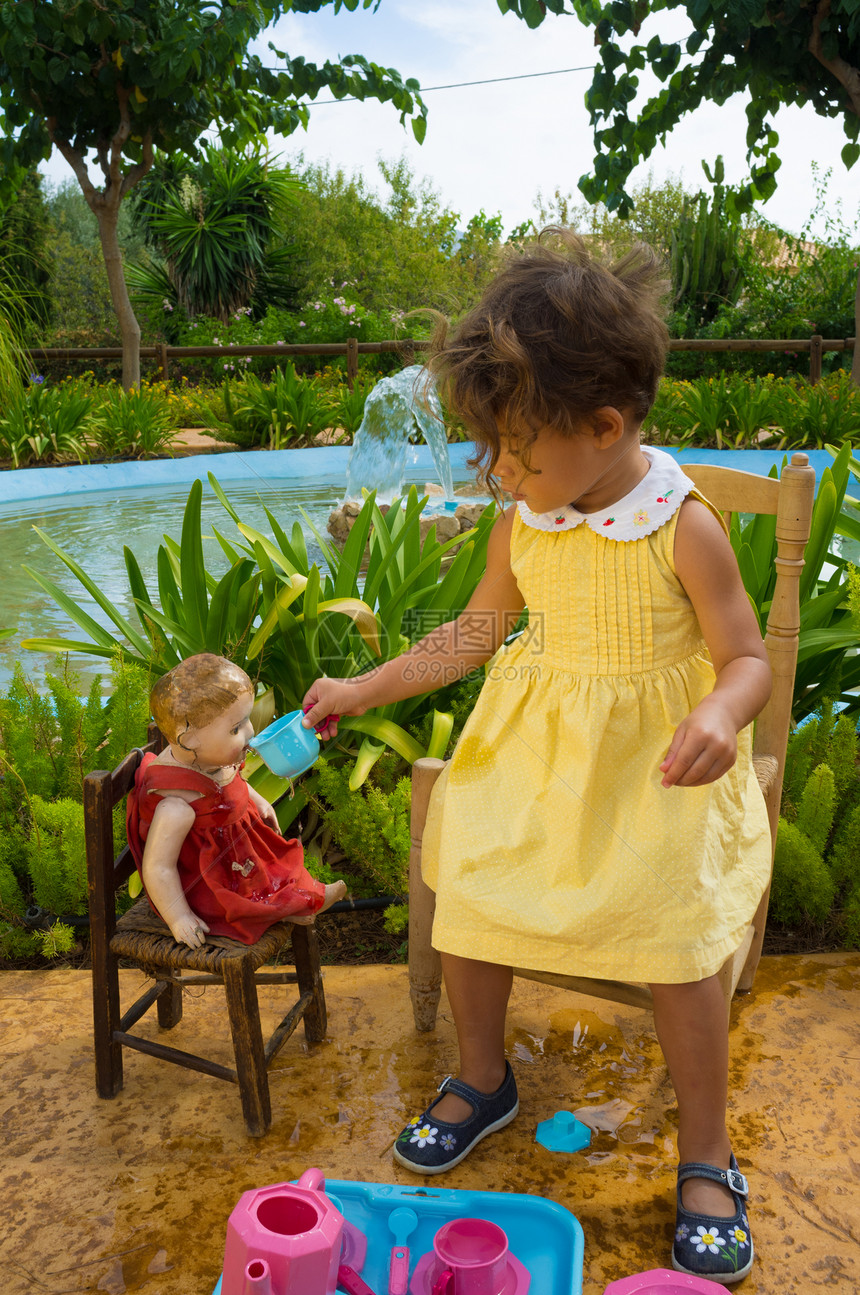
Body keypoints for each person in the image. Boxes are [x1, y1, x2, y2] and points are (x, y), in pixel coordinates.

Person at [301, 230, 770, 1283]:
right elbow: (473, 634)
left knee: (678, 931)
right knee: (471, 872)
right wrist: (360, 687)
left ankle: (705, 1148)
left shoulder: (680, 527)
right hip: (535, 758)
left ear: (604, 427)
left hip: (655, 772)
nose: (501, 472)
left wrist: (721, 716)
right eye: (492, 453)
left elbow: (743, 658)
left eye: (517, 451)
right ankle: (481, 1076)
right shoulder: (527, 515)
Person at [127, 653, 346, 948]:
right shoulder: (176, 805)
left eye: (246, 721)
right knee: (253, 896)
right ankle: (288, 907)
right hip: (210, 886)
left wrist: (257, 801)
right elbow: (158, 867)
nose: (251, 733)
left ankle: (291, 904)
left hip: (237, 856)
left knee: (280, 869)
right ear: (189, 740)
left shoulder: (209, 759)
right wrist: (178, 917)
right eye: (235, 729)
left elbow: (233, 780)